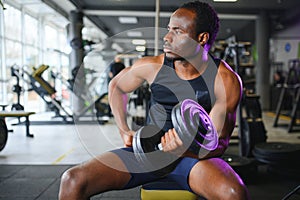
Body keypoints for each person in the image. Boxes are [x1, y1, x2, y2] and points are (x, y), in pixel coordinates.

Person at [59, 1, 250, 199]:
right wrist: (124, 129)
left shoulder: (225, 79)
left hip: (194, 160)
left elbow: (219, 142)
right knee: (73, 181)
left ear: (201, 38)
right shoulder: (154, 66)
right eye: (169, 30)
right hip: (148, 153)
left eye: (177, 31)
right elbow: (117, 87)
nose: (167, 37)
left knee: (234, 194)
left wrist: (186, 149)